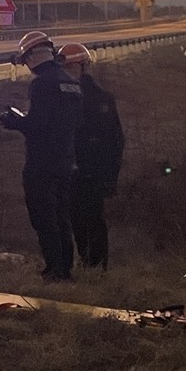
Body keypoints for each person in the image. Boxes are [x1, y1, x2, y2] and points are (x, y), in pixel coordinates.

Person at [0, 31, 83, 281]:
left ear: (33, 56)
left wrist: (14, 122)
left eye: (25, 60)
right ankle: (65, 267)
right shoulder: (72, 83)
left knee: (44, 217)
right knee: (61, 216)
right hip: (66, 159)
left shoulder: (41, 84)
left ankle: (54, 269)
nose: (26, 66)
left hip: (41, 162)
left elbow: (38, 125)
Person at [58, 43, 124, 270]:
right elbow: (117, 140)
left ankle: (92, 264)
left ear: (82, 66)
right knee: (86, 218)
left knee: (85, 218)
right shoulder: (101, 96)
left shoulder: (76, 96)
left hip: (82, 168)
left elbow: (114, 140)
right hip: (90, 169)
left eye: (70, 66)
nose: (66, 71)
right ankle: (93, 265)